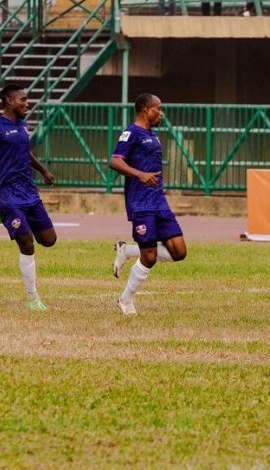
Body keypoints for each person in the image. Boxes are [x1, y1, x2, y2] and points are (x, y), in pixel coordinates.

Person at [0, 83, 57, 311]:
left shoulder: (22, 126)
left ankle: (3, 217)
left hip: (28, 191)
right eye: (23, 100)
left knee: (49, 240)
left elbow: (24, 153)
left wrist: (43, 170)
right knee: (27, 244)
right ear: (9, 101)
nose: (27, 103)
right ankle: (33, 299)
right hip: (5, 194)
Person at [110, 93, 188, 315]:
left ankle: (127, 250)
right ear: (146, 110)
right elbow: (115, 161)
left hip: (159, 201)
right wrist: (140, 175)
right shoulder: (131, 133)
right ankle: (125, 300)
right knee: (150, 257)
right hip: (141, 203)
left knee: (179, 252)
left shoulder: (153, 135)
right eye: (158, 108)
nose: (161, 113)